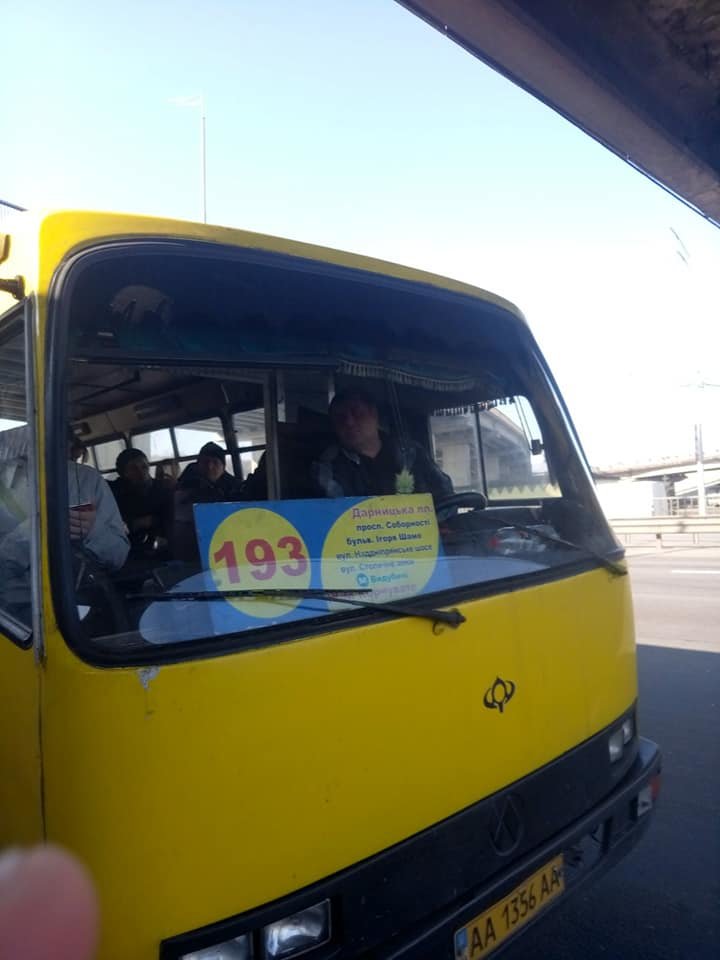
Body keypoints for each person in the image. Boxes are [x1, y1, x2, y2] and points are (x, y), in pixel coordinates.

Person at [312, 388, 453, 500]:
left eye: (357, 413)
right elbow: (328, 515)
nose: (349, 422)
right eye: (340, 418)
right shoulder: (327, 468)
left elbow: (445, 495)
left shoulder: (411, 453)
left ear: (374, 414)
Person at [172, 441, 244, 561]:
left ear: (223, 466)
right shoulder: (185, 487)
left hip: (230, 544)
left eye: (215, 462)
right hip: (193, 546)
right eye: (205, 462)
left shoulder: (236, 488)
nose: (210, 467)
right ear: (198, 465)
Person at [110, 449, 173, 555]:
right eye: (133, 469)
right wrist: (135, 524)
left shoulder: (163, 488)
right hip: (128, 551)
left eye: (144, 467)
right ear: (122, 473)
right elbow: (111, 527)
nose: (141, 472)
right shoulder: (114, 492)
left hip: (163, 548)